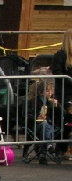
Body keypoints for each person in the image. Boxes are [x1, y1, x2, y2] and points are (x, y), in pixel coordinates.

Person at [26, 79, 61, 165]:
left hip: (50, 125)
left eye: (50, 91)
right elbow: (28, 115)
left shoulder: (51, 102)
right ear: (40, 92)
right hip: (36, 125)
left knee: (46, 126)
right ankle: (48, 146)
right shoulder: (33, 101)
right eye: (47, 91)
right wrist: (36, 117)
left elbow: (61, 115)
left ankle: (43, 155)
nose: (49, 93)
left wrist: (57, 106)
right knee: (44, 125)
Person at [50, 28, 72, 156]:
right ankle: (61, 148)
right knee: (66, 121)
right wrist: (70, 80)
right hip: (64, 93)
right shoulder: (60, 55)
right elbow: (57, 73)